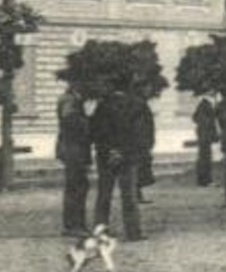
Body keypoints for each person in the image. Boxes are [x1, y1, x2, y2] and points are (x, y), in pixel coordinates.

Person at [89, 93, 143, 241]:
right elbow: (138, 133)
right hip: (128, 156)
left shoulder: (102, 106)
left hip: (105, 156)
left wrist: (110, 150)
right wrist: (123, 151)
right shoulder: (136, 105)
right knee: (130, 196)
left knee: (104, 194)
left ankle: (100, 230)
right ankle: (133, 232)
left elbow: (95, 131)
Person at [55, 91, 92, 235]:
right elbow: (69, 120)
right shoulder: (70, 100)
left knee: (77, 185)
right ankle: (74, 225)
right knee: (77, 186)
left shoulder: (72, 98)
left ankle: (73, 224)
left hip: (74, 148)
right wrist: (87, 120)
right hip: (73, 148)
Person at [131, 98, 156, 204]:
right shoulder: (138, 104)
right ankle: (135, 195)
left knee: (141, 168)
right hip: (138, 142)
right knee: (138, 168)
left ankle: (137, 194)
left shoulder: (141, 103)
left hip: (142, 141)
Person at [192, 97, 219, 187]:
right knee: (205, 159)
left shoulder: (202, 109)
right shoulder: (206, 108)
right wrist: (213, 135)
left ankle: (203, 180)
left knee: (203, 158)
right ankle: (205, 180)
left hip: (203, 137)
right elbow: (210, 123)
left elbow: (196, 119)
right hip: (205, 137)